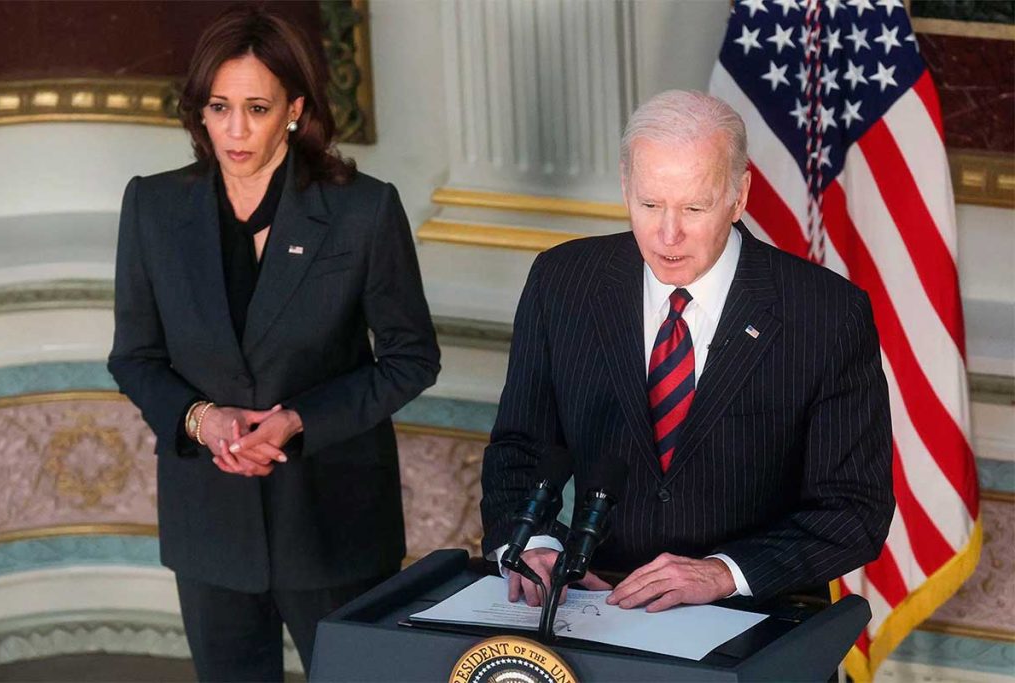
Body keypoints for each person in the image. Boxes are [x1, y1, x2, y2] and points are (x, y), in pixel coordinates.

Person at [108, 7, 439, 680]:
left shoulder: (363, 210)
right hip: (210, 527)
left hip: (333, 521)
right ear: (199, 111)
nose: (235, 130)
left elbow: (411, 358)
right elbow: (134, 357)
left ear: (294, 109)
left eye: (256, 108)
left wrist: (297, 420)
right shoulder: (153, 207)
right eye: (219, 107)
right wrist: (202, 420)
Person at [480, 90, 893, 611]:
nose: (667, 234)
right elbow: (520, 449)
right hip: (596, 603)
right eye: (649, 204)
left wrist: (724, 573)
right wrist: (533, 545)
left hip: (755, 614)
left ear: (739, 196)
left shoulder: (827, 313)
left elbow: (855, 509)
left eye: (694, 208)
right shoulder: (562, 282)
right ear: (626, 186)